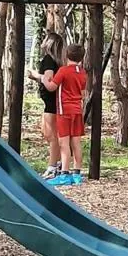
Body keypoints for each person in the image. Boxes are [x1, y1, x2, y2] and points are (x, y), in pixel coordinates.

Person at [47, 42, 90, 186]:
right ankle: (77, 174)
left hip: (64, 110)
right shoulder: (83, 72)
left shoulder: (63, 71)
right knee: (76, 143)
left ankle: (64, 174)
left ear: (66, 55)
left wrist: (41, 78)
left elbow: (52, 87)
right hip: (77, 110)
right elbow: (83, 93)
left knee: (63, 143)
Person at [36, 31, 65, 180]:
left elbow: (49, 81)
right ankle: (58, 164)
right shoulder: (58, 62)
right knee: (48, 133)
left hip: (51, 102)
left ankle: (52, 166)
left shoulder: (48, 60)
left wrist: (36, 76)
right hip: (52, 101)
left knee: (52, 136)